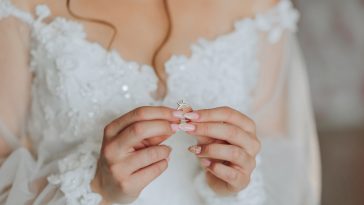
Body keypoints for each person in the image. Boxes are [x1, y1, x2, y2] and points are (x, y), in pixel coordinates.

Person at [0, 0, 321, 204]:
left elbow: (284, 159)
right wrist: (95, 188)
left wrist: (234, 183)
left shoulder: (261, 8)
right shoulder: (22, 6)